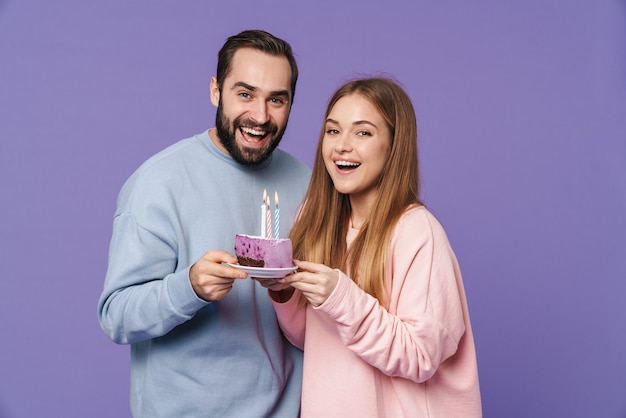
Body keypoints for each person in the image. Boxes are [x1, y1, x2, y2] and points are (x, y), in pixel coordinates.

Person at [97, 29, 311, 417]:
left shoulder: (310, 185)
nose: (260, 116)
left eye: (276, 99)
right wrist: (189, 287)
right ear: (216, 91)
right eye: (244, 94)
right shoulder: (159, 183)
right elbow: (117, 316)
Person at [260, 77, 482, 417]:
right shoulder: (321, 225)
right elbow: (315, 341)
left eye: (362, 133)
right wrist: (283, 294)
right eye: (333, 131)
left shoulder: (416, 232)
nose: (342, 146)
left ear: (394, 146)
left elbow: (420, 355)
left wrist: (341, 296)